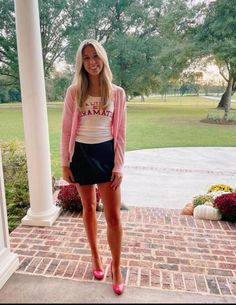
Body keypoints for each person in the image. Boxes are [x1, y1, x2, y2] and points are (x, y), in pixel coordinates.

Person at [60, 39, 126, 295]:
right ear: (81, 63)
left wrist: (118, 165)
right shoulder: (74, 91)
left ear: (103, 58)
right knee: (88, 208)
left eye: (95, 56)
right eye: (86, 58)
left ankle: (117, 268)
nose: (91, 62)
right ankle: (96, 258)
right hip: (81, 155)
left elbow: (120, 133)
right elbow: (66, 130)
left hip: (106, 154)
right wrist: (65, 163)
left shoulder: (117, 93)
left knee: (114, 217)